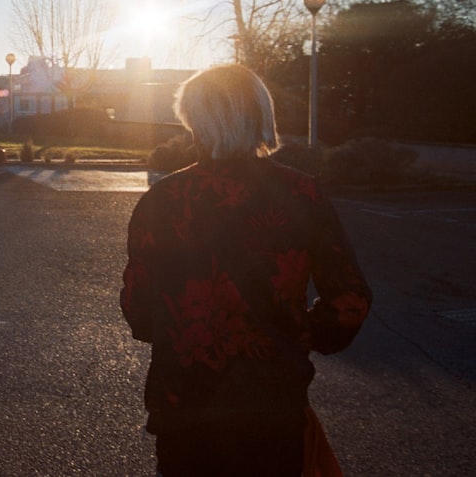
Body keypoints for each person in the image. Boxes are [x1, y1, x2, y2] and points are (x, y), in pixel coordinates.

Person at [120, 64, 372, 476]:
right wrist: (297, 333)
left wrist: (184, 330)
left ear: (193, 119)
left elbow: (138, 306)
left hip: (185, 404)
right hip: (271, 404)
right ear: (261, 116)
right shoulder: (300, 193)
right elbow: (349, 299)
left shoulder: (164, 199)